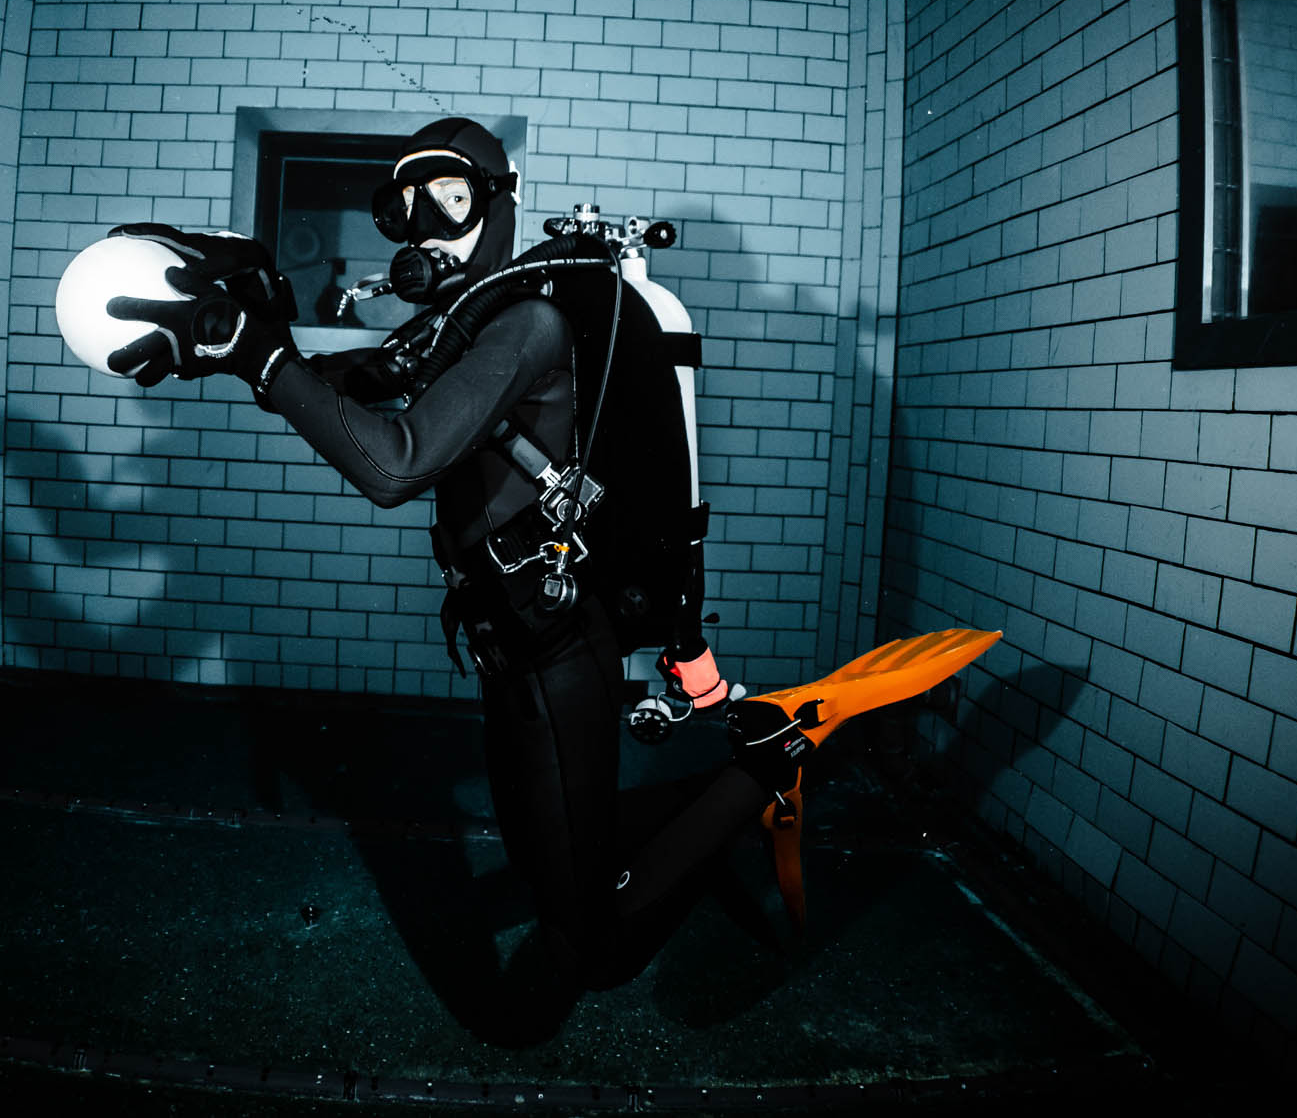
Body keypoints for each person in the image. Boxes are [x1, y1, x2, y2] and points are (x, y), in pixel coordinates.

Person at [100, 118, 910, 1005]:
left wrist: (267, 363)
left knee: (593, 950)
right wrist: (231, 342)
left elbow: (392, 463)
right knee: (539, 856)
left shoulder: (526, 324)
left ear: (499, 200)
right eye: (401, 208)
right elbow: (347, 388)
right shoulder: (456, 331)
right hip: (507, 646)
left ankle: (769, 759)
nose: (423, 230)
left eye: (446, 199)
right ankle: (664, 821)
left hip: (559, 644)